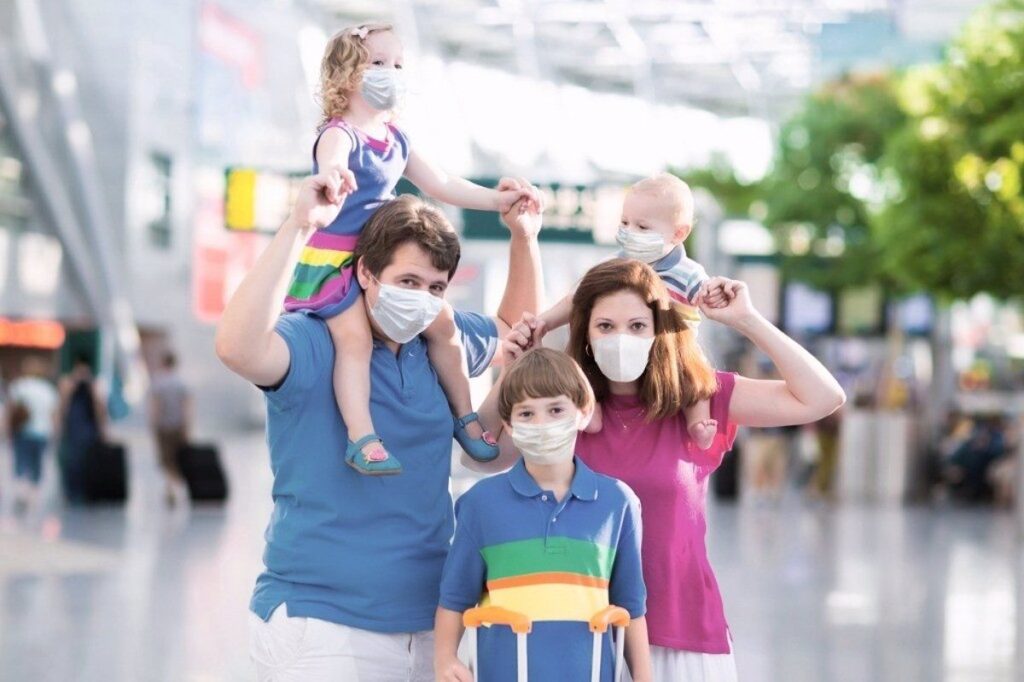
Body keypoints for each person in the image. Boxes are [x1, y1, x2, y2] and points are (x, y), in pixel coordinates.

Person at [214, 171, 544, 681]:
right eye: (408, 282)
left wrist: (524, 237)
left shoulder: (438, 342)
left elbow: (513, 330)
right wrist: (300, 226)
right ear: (366, 273)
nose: (422, 298)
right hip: (322, 624)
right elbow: (237, 347)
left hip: (431, 625)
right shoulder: (315, 339)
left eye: (436, 287)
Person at [484, 259, 845, 682]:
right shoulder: (562, 409)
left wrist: (747, 320)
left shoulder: (698, 400)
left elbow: (823, 398)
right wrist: (512, 368)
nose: (621, 338)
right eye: (605, 326)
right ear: (586, 334)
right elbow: (485, 453)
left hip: (684, 633)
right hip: (582, 637)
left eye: (637, 326)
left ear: (659, 330)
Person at [284, 22, 540, 475]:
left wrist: (496, 200)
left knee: (445, 325)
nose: (391, 73)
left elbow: (440, 183)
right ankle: (362, 436)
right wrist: (334, 177)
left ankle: (465, 416)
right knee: (354, 341)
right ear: (347, 73)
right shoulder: (340, 133)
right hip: (337, 264)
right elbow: (331, 162)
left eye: (398, 64)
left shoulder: (396, 138)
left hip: (378, 253)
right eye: (378, 63)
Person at [435, 348, 652, 682]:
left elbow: (631, 606)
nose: (542, 424)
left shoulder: (618, 503)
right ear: (508, 425)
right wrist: (445, 659)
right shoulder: (480, 505)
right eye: (526, 413)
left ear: (583, 412)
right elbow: (454, 599)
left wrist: (644, 676)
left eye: (555, 410)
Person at [531, 174, 718, 450]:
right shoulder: (615, 266)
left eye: (642, 226)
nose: (630, 232)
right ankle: (590, 410)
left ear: (679, 233)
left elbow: (708, 296)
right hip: (622, 351)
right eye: (625, 222)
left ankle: (698, 424)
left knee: (697, 375)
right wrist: (544, 322)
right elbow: (576, 299)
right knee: (585, 366)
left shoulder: (688, 273)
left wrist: (715, 294)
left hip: (675, 350)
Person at [6, 357, 59, 513]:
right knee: (37, 465)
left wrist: (7, 429)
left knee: (21, 463)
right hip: (42, 432)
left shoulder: (19, 386)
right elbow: (53, 414)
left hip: (23, 431)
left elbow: (11, 410)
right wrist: (55, 433)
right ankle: (33, 497)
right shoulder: (48, 389)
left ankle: (22, 494)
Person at [58, 355, 106, 505]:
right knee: (72, 462)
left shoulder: (94, 385)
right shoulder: (68, 383)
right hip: (73, 431)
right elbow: (63, 406)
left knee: (88, 462)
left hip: (88, 430)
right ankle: (72, 492)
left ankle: (87, 492)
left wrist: (103, 430)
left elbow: (100, 409)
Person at [148, 351, 192, 507]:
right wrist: (187, 427)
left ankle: (171, 488)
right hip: (178, 426)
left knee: (166, 459)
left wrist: (153, 424)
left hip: (164, 427)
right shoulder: (181, 383)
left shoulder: (158, 383)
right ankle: (173, 488)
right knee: (178, 458)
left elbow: (156, 406)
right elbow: (187, 407)